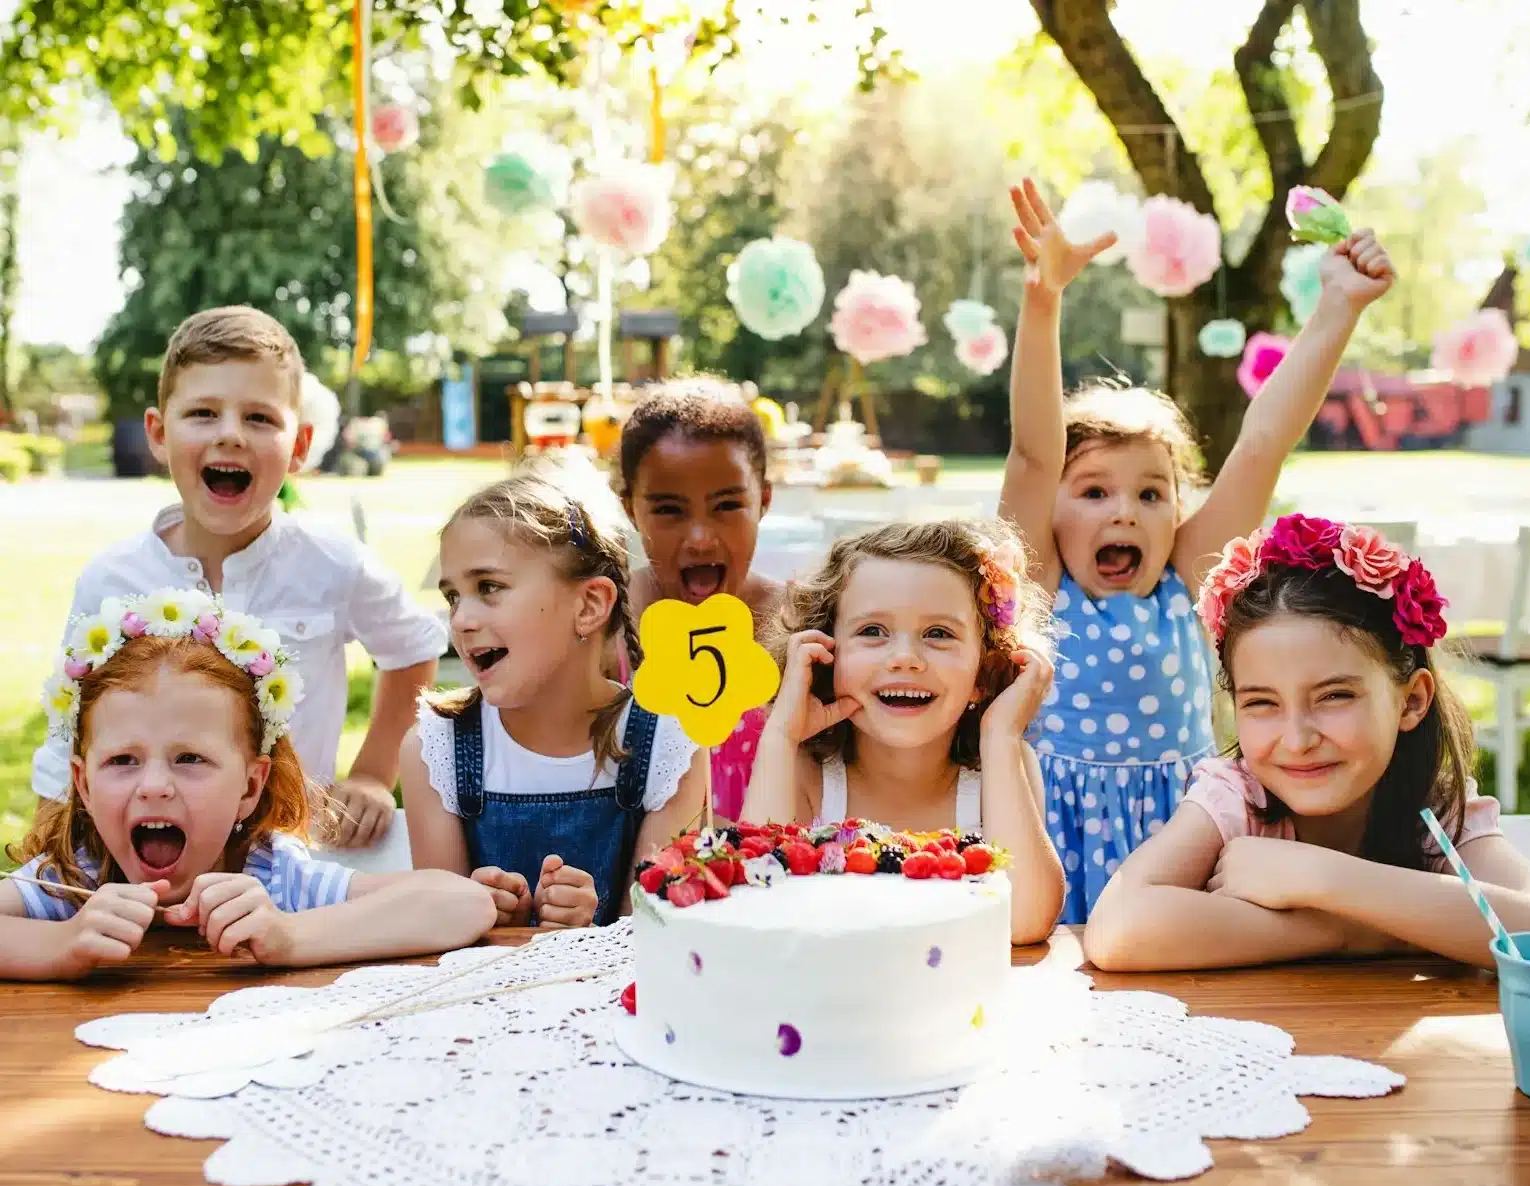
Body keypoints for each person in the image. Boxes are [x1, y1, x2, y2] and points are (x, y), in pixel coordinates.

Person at [998, 177, 1399, 922]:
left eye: (1152, 493)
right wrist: (1043, 298)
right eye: (1093, 491)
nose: (1126, 511)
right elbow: (1030, 452)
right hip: (1054, 854)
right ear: (1051, 506)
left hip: (1184, 850)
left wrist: (1338, 307)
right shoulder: (1042, 587)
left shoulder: (1185, 580)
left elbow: (1262, 444)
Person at [30, 307, 446, 848]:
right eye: (203, 413)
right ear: (158, 434)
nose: (230, 435)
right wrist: (47, 872)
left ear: (299, 446)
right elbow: (66, 742)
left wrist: (372, 772)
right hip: (151, 860)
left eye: (259, 418)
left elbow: (414, 646)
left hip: (294, 862)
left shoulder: (333, 564)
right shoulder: (112, 580)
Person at [1083, 516, 1530, 971]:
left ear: (1411, 702)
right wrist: (1348, 932)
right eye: (1261, 703)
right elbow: (1117, 930)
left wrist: (1320, 878)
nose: (1297, 740)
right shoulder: (1235, 799)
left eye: (1335, 696)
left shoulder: (1434, 808)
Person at [1, 591, 495, 981]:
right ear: (82, 785)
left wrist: (287, 935)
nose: (154, 786)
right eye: (122, 760)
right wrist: (61, 946)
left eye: (189, 758)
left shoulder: (276, 879)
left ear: (249, 785)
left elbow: (463, 903)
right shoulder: (75, 880)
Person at [398, 469, 707, 928]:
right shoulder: (436, 748)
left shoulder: (669, 745)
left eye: (489, 587)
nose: (460, 619)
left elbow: (655, 937)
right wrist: (491, 919)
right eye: (452, 597)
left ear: (588, 606)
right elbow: (436, 940)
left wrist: (587, 927)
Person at [743, 519, 1065, 945]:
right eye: (872, 631)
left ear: (985, 670)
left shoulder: (1002, 765)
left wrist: (1002, 737)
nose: (905, 658)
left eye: (938, 633)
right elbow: (751, 908)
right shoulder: (808, 771)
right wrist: (780, 737)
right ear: (826, 653)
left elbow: (1023, 922)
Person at [618, 377, 785, 820]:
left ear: (763, 499)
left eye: (727, 506)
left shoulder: (795, 624)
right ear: (630, 508)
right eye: (669, 510)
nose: (700, 539)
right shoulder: (605, 629)